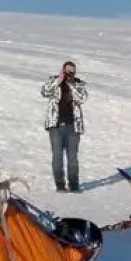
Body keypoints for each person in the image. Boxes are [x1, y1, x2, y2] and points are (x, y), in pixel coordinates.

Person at [41, 60, 87, 192]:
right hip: (56, 126)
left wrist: (72, 85)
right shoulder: (54, 81)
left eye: (72, 71)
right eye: (67, 71)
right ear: (62, 70)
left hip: (73, 126)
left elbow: (82, 99)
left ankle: (74, 185)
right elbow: (44, 92)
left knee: (72, 158)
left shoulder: (78, 84)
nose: (69, 73)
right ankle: (60, 185)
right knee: (57, 157)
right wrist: (58, 81)